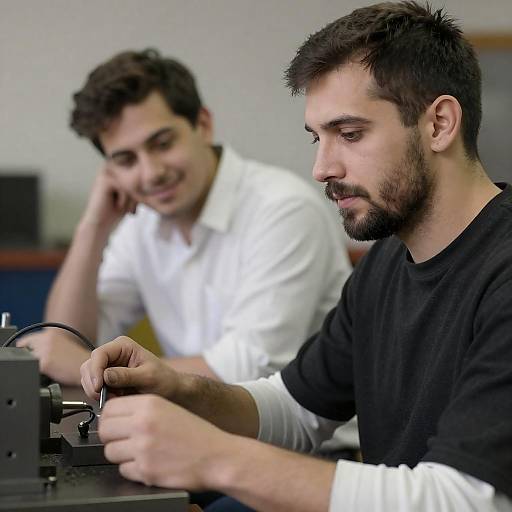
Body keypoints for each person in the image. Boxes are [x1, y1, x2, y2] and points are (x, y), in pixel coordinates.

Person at [81, 2, 512, 511]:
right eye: (318, 138)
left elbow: (467, 499)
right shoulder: (386, 263)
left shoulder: (501, 270)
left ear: (439, 124)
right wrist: (182, 390)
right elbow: (298, 407)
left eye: (349, 135)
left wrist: (216, 458)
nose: (322, 168)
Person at [17, 49, 351, 389]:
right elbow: (68, 339)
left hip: (312, 442)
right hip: (201, 430)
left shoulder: (284, 209)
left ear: (203, 125)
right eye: (126, 160)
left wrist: (83, 368)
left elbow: (251, 368)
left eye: (162, 143)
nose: (151, 174)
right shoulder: (140, 225)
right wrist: (93, 227)